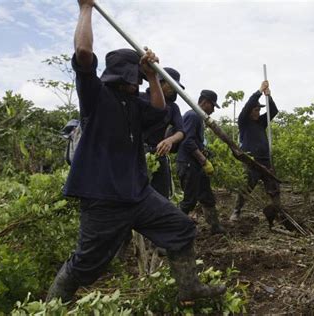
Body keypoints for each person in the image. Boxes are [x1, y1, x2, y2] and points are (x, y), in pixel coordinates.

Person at [46, 0, 225, 303]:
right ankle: (51, 305)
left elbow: (159, 109)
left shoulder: (136, 105)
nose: (137, 83)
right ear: (123, 76)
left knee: (181, 228)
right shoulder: (95, 97)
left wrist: (153, 74)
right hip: (103, 200)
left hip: (138, 195)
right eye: (136, 77)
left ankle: (189, 289)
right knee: (86, 264)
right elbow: (84, 55)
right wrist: (85, 9)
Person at [230, 80, 281, 223]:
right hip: (251, 160)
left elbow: (274, 111)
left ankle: (278, 212)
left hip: (265, 160)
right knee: (246, 187)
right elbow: (247, 105)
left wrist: (268, 96)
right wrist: (259, 91)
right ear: (249, 112)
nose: (258, 113)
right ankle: (236, 211)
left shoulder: (261, 122)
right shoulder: (243, 121)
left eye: (259, 110)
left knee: (273, 187)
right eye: (256, 110)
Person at [176, 90, 226, 235]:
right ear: (205, 102)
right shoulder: (193, 116)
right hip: (188, 165)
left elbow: (195, 142)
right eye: (212, 106)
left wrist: (204, 152)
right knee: (189, 201)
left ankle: (215, 226)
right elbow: (188, 141)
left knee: (207, 197)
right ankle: (174, 230)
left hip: (196, 166)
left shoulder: (197, 117)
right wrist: (204, 161)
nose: (212, 110)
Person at [140, 67, 185, 199]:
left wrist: (170, 140)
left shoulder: (173, 107)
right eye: (171, 85)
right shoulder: (140, 98)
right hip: (136, 152)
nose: (173, 89)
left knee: (161, 196)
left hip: (158, 153)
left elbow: (181, 131)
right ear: (160, 82)